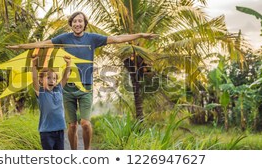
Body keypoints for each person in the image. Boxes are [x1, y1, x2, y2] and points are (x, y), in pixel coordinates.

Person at [8, 11, 158, 150]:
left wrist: (140, 35)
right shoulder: (63, 38)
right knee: (72, 126)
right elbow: (42, 44)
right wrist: (21, 46)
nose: (77, 24)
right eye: (74, 21)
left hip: (86, 87)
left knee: (85, 123)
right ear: (71, 23)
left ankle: (86, 151)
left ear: (85, 24)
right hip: (67, 88)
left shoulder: (93, 38)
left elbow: (117, 39)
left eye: (80, 21)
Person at [31, 54, 71, 150]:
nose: (52, 80)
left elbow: (65, 77)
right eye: (48, 78)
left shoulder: (58, 89)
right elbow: (34, 78)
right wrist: (34, 65)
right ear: (41, 80)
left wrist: (68, 65)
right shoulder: (41, 92)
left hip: (60, 130)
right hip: (46, 132)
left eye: (54, 78)